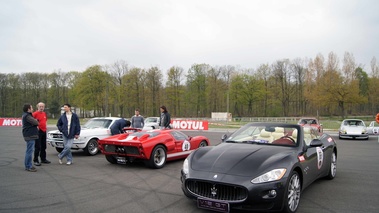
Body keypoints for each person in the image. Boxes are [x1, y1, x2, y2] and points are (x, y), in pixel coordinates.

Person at [22, 103, 39, 172]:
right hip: (30, 135)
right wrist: (36, 121)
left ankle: (28, 165)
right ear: (28, 109)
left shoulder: (26, 115)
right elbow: (36, 122)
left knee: (29, 150)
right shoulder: (27, 116)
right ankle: (28, 166)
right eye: (31, 108)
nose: (32, 109)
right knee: (29, 151)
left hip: (29, 134)